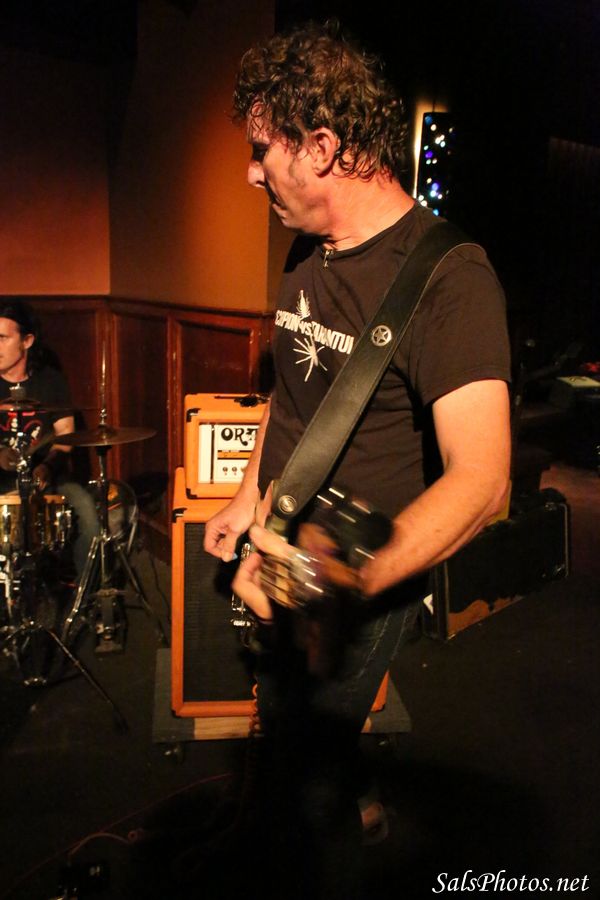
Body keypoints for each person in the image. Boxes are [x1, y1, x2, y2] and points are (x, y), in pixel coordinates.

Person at [203, 20, 511, 899]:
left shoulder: (451, 280)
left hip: (358, 576)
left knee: (308, 790)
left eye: (262, 151)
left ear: (322, 146)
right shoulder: (307, 248)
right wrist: (249, 495)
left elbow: (483, 481)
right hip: (281, 542)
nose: (251, 172)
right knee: (285, 718)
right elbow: (293, 393)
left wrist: (334, 582)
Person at [0, 299, 100, 578]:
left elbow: (65, 436)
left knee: (88, 516)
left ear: (27, 341)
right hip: (1, 480)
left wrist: (48, 466)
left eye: (3, 338)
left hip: (48, 478)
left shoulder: (51, 382)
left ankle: (85, 596)